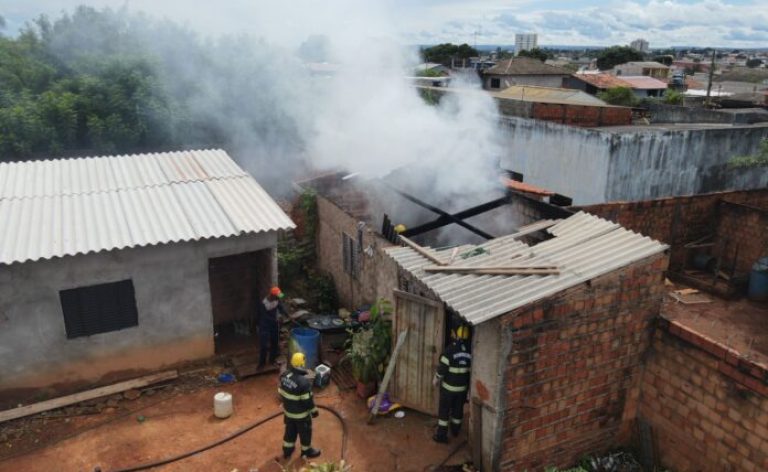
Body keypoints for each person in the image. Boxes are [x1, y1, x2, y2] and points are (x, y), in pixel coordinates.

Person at [432, 325, 471, 443]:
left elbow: (442, 369)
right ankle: (455, 431)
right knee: (458, 411)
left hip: (448, 389)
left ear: (456, 334)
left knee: (444, 411)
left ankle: (441, 436)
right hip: (462, 390)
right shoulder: (470, 350)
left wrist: (436, 379)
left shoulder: (449, 350)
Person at [279, 352, 321, 459]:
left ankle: (287, 450)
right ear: (302, 364)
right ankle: (306, 451)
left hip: (288, 413)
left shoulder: (284, 376)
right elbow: (307, 401)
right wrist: (314, 411)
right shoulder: (303, 382)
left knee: (290, 432)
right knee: (305, 433)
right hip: (301, 416)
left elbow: (281, 392)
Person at [258, 286, 287, 368]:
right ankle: (261, 363)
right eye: (278, 296)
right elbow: (264, 316)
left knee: (274, 343)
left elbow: (281, 307)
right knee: (264, 345)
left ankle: (272, 360)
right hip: (265, 325)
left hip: (274, 325)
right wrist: (276, 320)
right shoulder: (264, 303)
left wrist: (287, 314)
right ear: (272, 295)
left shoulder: (277, 300)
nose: (279, 298)